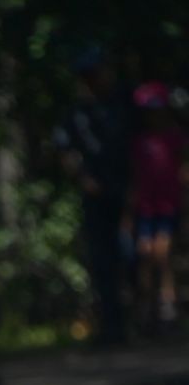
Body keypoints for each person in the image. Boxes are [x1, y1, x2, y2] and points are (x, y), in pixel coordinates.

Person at [54, 51, 130, 346]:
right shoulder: (77, 114)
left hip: (130, 196)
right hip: (97, 199)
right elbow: (64, 149)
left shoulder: (123, 105)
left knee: (135, 257)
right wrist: (85, 179)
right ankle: (112, 329)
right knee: (102, 263)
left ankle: (146, 322)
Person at [129, 82, 186, 332]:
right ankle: (147, 307)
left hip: (168, 205)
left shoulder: (175, 137)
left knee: (162, 253)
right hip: (145, 207)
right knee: (145, 254)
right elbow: (134, 177)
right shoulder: (140, 141)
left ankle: (168, 305)